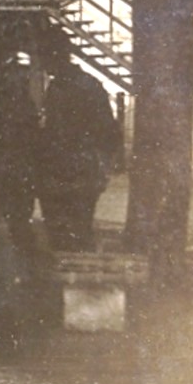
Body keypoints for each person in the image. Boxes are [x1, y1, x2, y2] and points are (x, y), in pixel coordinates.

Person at [36, 46, 121, 252]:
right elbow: (109, 130)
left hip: (70, 162)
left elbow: (58, 128)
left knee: (66, 225)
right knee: (78, 224)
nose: (43, 66)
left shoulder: (66, 86)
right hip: (81, 162)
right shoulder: (85, 82)